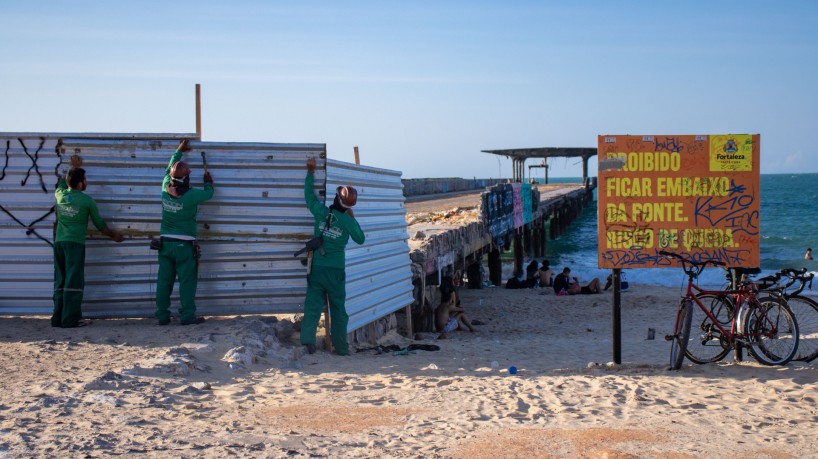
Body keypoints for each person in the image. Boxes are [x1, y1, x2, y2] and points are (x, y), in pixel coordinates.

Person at [301, 157, 365, 355]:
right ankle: (342, 348)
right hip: (336, 271)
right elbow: (361, 238)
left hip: (317, 268)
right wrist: (351, 217)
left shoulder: (322, 213)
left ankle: (308, 343)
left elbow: (309, 198)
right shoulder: (348, 221)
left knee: (312, 306)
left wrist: (310, 173)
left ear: (336, 198)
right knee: (338, 310)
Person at [52, 155, 124, 328]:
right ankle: (70, 319)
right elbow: (100, 225)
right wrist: (113, 235)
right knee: (73, 282)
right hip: (75, 244)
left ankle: (57, 318)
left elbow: (61, 183)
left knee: (60, 280)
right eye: (85, 180)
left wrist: (72, 166)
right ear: (79, 184)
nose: (86, 182)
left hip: (59, 243)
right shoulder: (87, 201)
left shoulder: (60, 194)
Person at [155, 139, 214, 326]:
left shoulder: (165, 188)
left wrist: (178, 152)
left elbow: (167, 170)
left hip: (165, 244)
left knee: (164, 282)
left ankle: (162, 316)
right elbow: (209, 194)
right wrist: (208, 183)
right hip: (184, 245)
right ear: (186, 178)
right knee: (187, 283)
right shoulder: (192, 195)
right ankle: (187, 316)